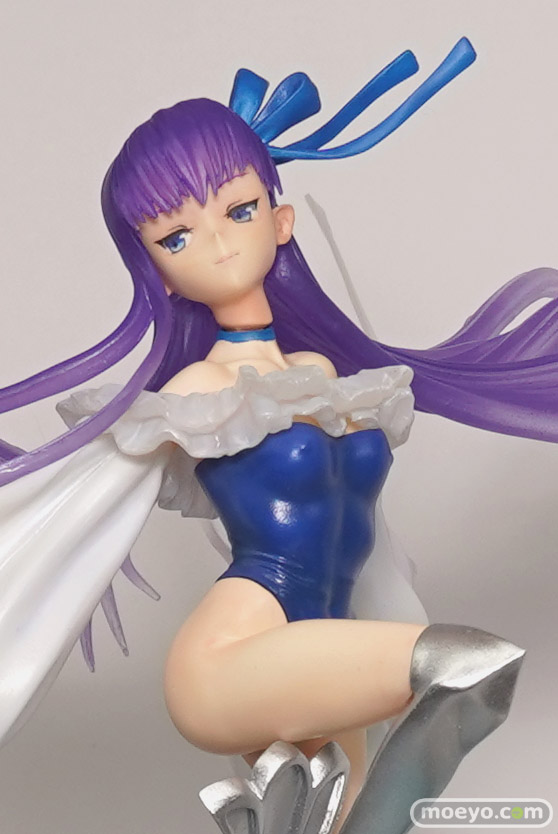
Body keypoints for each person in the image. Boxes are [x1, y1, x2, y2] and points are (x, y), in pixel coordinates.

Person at [0, 37, 554, 833]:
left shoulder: (326, 377)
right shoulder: (197, 393)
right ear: (158, 272)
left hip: (324, 654)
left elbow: (362, 535)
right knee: (466, 667)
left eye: (239, 210)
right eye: (177, 236)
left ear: (281, 218)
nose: (219, 243)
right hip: (234, 658)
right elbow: (74, 497)